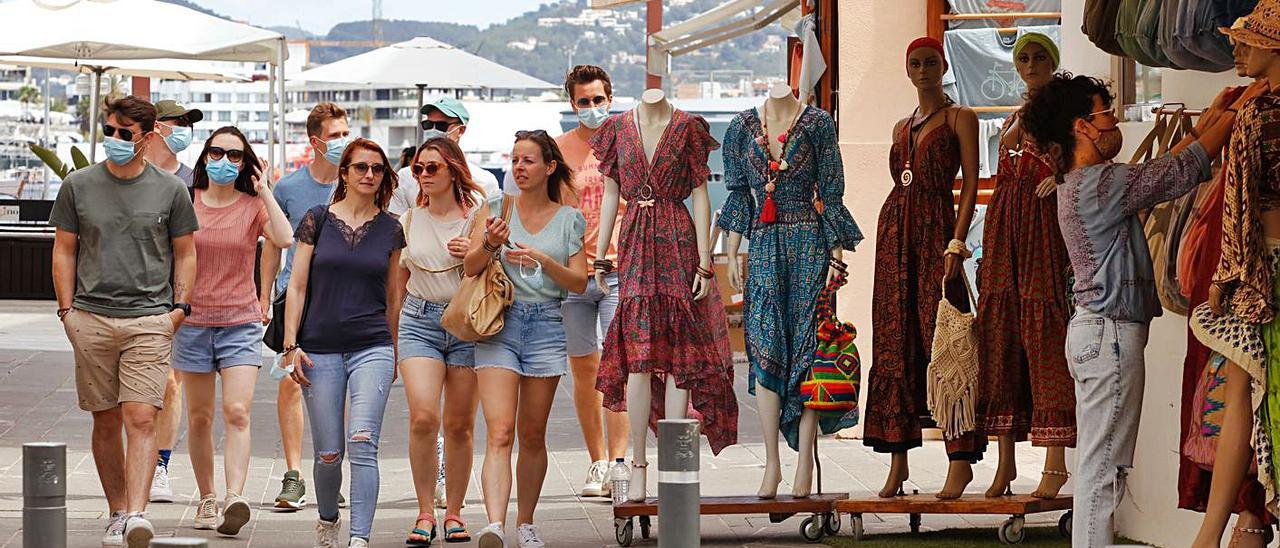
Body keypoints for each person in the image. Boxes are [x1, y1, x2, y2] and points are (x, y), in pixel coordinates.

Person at [1021, 73, 1242, 547]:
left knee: (1100, 467)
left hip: (1098, 335)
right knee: (1102, 469)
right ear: (1083, 125)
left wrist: (1208, 121)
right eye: (1105, 111)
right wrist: (1226, 119)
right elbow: (1173, 174)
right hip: (1110, 337)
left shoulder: (1084, 183)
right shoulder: (1100, 184)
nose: (1114, 119)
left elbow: (1164, 169)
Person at [49, 96, 199, 548]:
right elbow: (64, 249)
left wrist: (179, 309)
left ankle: (137, 513)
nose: (114, 140)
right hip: (90, 317)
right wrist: (66, 311)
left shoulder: (170, 189)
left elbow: (186, 252)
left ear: (148, 137)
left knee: (141, 416)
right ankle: (117, 511)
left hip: (151, 319)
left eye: (125, 134)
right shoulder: (78, 185)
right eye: (109, 130)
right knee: (105, 420)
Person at [463, 131, 586, 548]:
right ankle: (495, 524)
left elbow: (579, 282)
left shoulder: (569, 218)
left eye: (528, 160)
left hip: (547, 324)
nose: (519, 167)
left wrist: (545, 260)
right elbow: (470, 268)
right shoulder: (496, 209)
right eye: (515, 160)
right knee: (499, 431)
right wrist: (490, 242)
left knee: (533, 433)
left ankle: (526, 521)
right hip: (500, 323)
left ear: (549, 167)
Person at [283, 138, 405, 548]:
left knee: (363, 442)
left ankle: (359, 539)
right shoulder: (316, 219)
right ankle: (328, 518)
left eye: (376, 169)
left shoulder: (391, 228)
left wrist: (393, 352)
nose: (369, 175)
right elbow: (297, 286)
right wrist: (289, 345)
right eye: (360, 167)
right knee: (329, 453)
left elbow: (393, 298)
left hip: (372, 346)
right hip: (318, 348)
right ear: (345, 173)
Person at [176, 127, 293, 536]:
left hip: (240, 322)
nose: (225, 162)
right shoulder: (186, 202)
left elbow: (284, 237)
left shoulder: (251, 206)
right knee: (200, 416)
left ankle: (233, 496)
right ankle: (206, 497)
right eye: (217, 152)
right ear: (205, 155)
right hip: (191, 322)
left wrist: (264, 191)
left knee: (238, 411)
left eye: (236, 156)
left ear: (247, 164)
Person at [974, 33, 1075, 499]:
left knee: (1044, 335)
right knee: (1002, 338)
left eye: (1039, 56)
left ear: (1052, 62)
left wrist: (1062, 181)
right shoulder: (1015, 115)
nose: (1031, 64)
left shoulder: (1062, 110)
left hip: (1040, 229)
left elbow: (1086, 159)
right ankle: (1005, 462)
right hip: (1003, 230)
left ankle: (1055, 464)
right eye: (1024, 58)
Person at [259, 102, 351, 511]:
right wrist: (263, 296)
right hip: (293, 298)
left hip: (342, 301)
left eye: (346, 133)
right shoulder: (290, 189)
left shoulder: (359, 184)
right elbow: (272, 245)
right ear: (316, 142)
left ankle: (331, 471)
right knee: (290, 384)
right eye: (335, 136)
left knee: (338, 391)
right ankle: (294, 475)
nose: (343, 142)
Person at [396, 137, 485, 545]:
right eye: (419, 169)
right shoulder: (409, 220)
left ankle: (454, 511)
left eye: (433, 168)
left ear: (453, 170)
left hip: (466, 323)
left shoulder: (476, 217)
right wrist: (391, 333)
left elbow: (493, 269)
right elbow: (397, 284)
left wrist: (475, 251)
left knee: (460, 425)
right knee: (423, 418)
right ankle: (425, 510)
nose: (424, 175)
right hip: (418, 321)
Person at [554, 64, 629, 497]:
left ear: (610, 99)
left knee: (617, 367)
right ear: (572, 104)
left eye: (598, 100)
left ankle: (620, 463)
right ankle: (596, 461)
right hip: (572, 276)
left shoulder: (626, 141)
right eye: (583, 101)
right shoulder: (560, 149)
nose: (592, 108)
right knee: (584, 369)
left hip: (618, 270)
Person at [139, 99, 201, 504]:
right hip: (131, 294)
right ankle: (139, 455)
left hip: (176, 297)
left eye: (187, 123)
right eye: (176, 123)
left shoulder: (194, 180)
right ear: (156, 128)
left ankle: (159, 464)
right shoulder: (131, 174)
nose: (183, 129)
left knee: (171, 384)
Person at [391, 96, 501, 215]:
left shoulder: (485, 181)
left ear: (461, 130)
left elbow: (490, 227)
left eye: (441, 126)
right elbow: (397, 227)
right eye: (428, 125)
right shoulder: (405, 177)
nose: (432, 131)